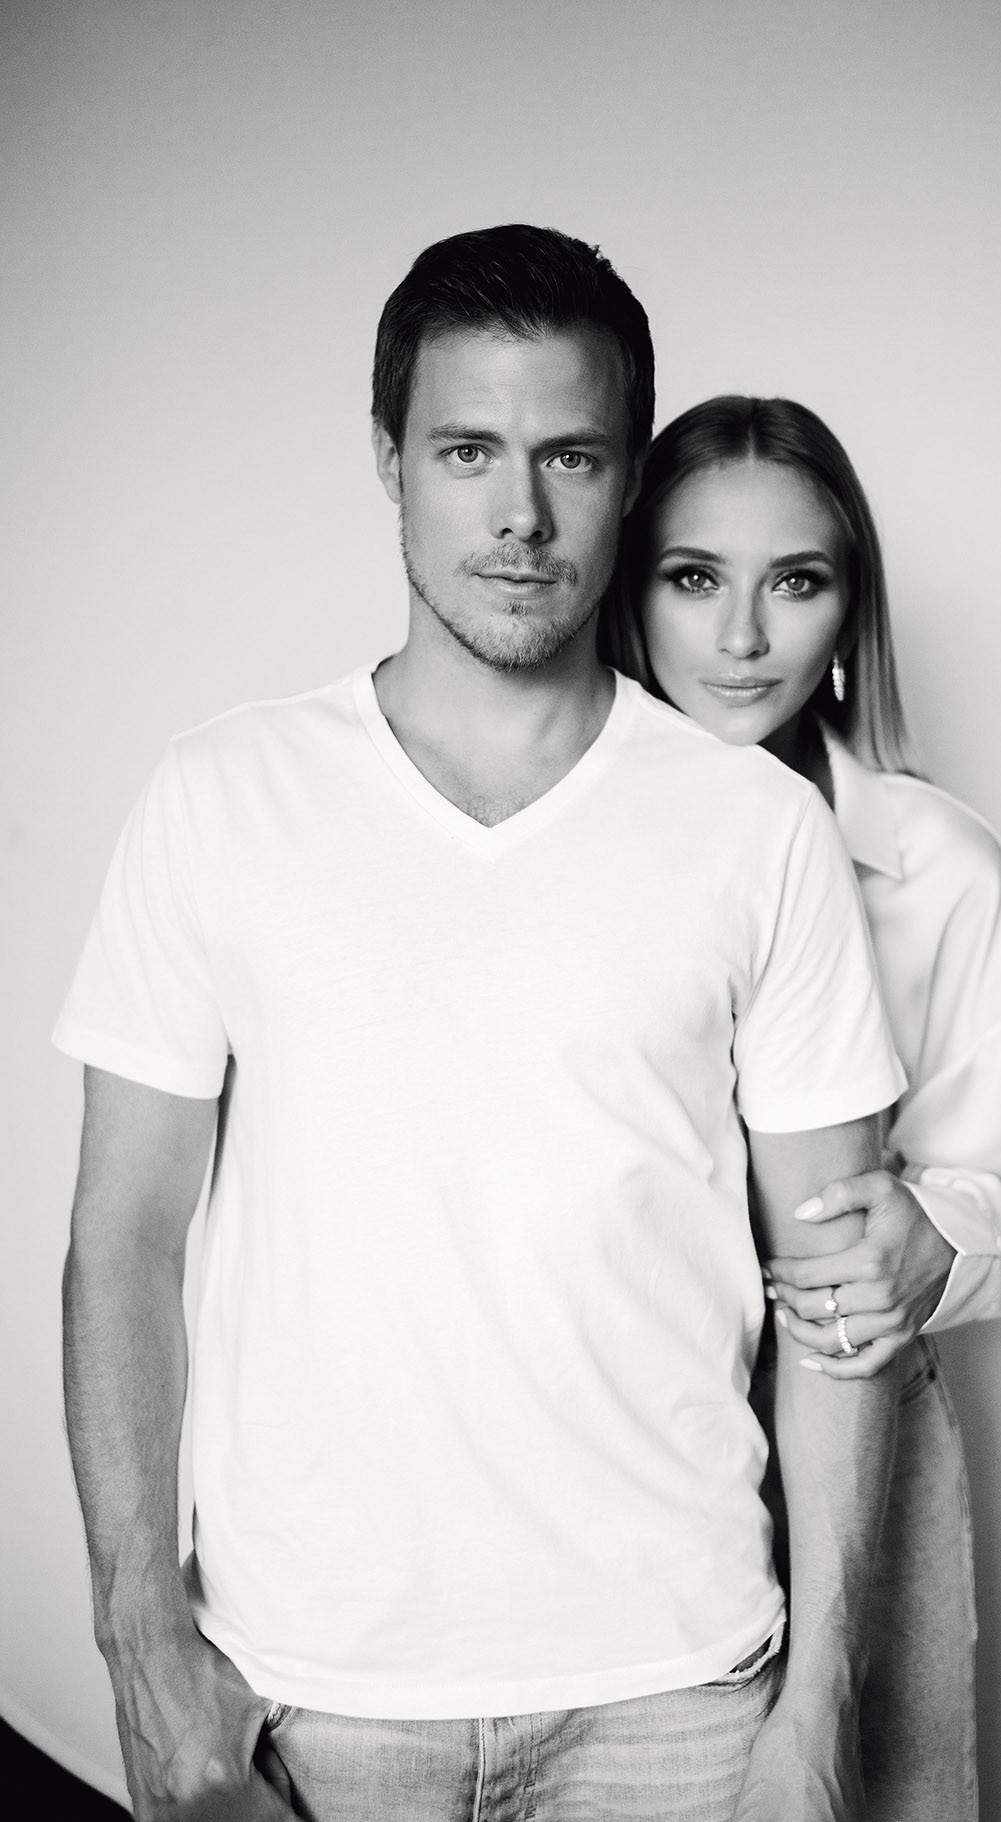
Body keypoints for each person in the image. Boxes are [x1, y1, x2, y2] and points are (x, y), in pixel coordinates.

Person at [55, 229, 910, 1822]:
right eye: (468, 451)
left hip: (677, 1693)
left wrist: (822, 1703)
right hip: (310, 1685)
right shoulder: (220, 795)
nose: (520, 513)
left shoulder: (756, 830)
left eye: (569, 455)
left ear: (627, 478)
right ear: (391, 461)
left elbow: (840, 1293)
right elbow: (123, 1237)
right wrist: (143, 1649)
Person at [601, 393, 1001, 1820]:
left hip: (859, 1401)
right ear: (629, 590)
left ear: (850, 607)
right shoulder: (551, 845)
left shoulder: (940, 862)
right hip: (613, 1408)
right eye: (695, 577)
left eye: (794, 581)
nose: (743, 637)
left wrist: (936, 1236)